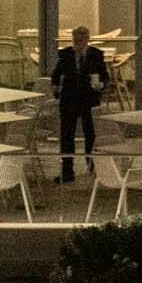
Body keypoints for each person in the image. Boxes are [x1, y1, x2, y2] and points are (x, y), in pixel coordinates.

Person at [52, 24, 110, 181]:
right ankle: (67, 171)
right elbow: (56, 74)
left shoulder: (96, 54)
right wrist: (56, 88)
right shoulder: (65, 54)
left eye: (81, 40)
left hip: (88, 98)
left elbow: (105, 76)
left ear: (87, 40)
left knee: (90, 134)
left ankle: (92, 167)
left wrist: (101, 85)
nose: (78, 43)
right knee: (67, 135)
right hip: (69, 98)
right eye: (75, 40)